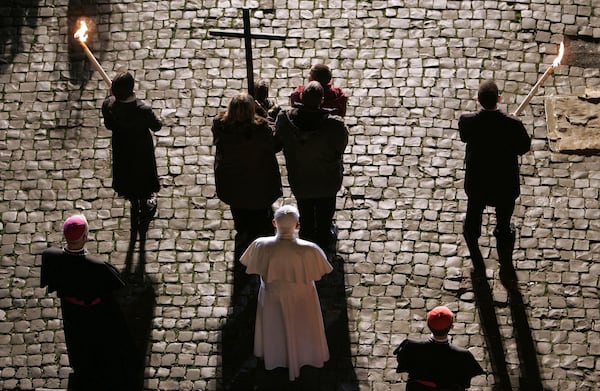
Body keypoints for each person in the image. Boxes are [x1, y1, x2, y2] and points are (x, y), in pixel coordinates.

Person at [40, 214, 137, 390]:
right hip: (96, 311)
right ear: (85, 237)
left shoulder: (50, 256)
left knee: (76, 339)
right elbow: (115, 287)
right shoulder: (98, 266)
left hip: (71, 309)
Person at [240, 205, 333, 381]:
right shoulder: (310, 249)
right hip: (303, 296)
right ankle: (307, 354)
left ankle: (275, 356)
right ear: (297, 225)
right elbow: (324, 269)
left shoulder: (260, 245)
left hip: (272, 295)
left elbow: (247, 262)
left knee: (274, 325)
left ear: (274, 223)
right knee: (305, 326)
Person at [458, 80, 531, 273]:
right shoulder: (513, 124)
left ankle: (472, 231)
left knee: (474, 208)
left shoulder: (467, 120)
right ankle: (503, 231)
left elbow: (465, 137)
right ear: (499, 98)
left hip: (478, 180)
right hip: (504, 182)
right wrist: (511, 124)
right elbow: (523, 147)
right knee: (504, 211)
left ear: (478, 99)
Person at [275, 81, 348, 258]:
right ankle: (324, 241)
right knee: (325, 213)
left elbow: (277, 142)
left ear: (301, 97)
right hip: (327, 181)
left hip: (301, 180)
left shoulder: (285, 120)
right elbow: (341, 146)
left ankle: (306, 242)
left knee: (306, 213)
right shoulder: (335, 125)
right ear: (322, 100)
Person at [101, 72, 162, 274]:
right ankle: (143, 203)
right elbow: (157, 126)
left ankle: (134, 202)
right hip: (141, 150)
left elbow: (109, 125)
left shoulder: (108, 106)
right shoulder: (142, 110)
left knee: (127, 174)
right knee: (142, 175)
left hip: (122, 148)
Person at [394, 306, 485, 390]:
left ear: (428, 325)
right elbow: (465, 382)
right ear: (451, 327)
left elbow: (403, 366)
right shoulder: (463, 356)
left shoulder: (411, 346)